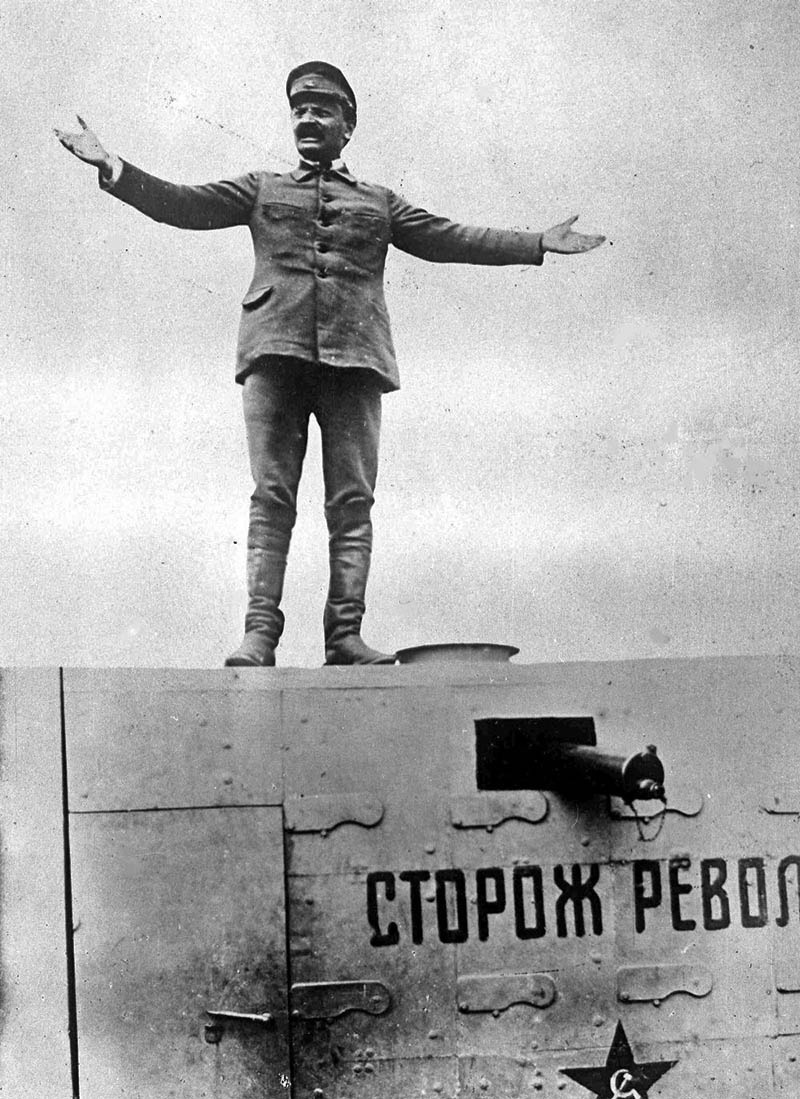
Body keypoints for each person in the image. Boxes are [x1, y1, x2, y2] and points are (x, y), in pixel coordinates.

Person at [55, 61, 605, 668]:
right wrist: (113, 166)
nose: (307, 119)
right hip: (275, 354)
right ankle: (258, 636)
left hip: (355, 358)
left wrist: (535, 242)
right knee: (271, 496)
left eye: (321, 109)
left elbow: (448, 237)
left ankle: (344, 637)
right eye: (299, 110)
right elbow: (183, 204)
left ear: (348, 124)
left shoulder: (379, 201)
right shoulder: (261, 187)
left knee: (352, 502)